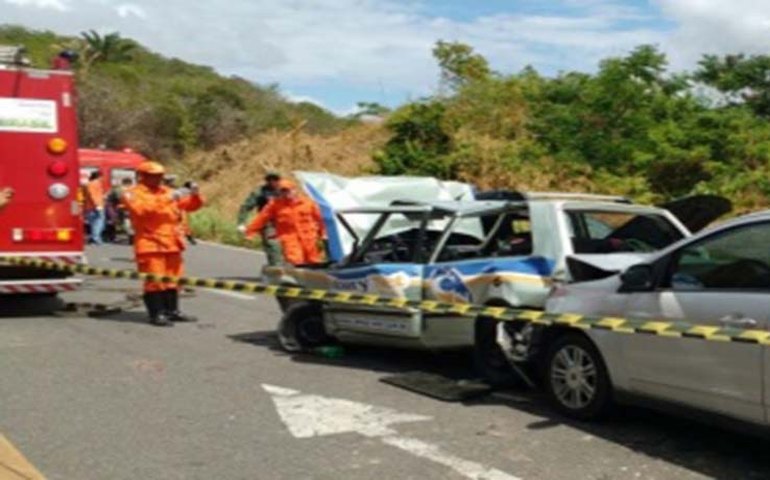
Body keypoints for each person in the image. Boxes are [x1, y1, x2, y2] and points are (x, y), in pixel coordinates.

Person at [122, 161, 204, 327]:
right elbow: (143, 210)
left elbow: (190, 206)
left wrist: (195, 194)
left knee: (174, 279)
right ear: (142, 176)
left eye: (160, 176)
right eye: (153, 176)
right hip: (150, 244)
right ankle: (156, 313)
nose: (158, 179)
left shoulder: (166, 191)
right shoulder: (132, 193)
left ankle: (172, 311)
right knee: (155, 280)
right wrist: (168, 198)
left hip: (172, 243)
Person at [244, 179, 326, 266]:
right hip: (289, 237)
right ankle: (298, 278)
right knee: (296, 259)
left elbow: (319, 219)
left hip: (309, 237)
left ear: (294, 190)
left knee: (314, 261)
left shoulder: (308, 203)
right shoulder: (275, 205)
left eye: (287, 190)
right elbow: (262, 218)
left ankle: (313, 278)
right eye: (282, 191)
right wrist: (250, 232)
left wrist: (323, 233)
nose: (285, 193)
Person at [237, 173, 283, 265]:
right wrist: (241, 222)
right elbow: (246, 206)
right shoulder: (260, 192)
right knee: (271, 244)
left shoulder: (285, 190)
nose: (272, 182)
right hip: (268, 222)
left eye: (275, 179)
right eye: (269, 180)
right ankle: (276, 266)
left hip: (285, 221)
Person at [83, 171, 106, 245]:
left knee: (93, 223)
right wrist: (98, 205)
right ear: (99, 176)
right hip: (96, 206)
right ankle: (95, 239)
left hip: (90, 206)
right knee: (99, 223)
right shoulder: (95, 184)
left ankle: (94, 238)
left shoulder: (89, 184)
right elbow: (93, 195)